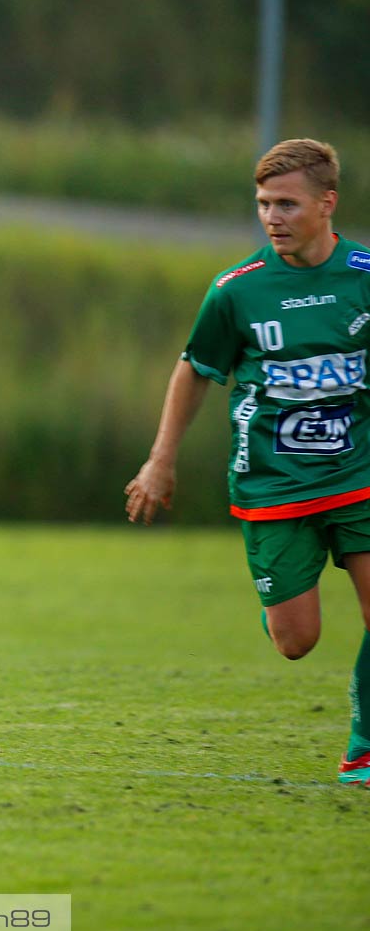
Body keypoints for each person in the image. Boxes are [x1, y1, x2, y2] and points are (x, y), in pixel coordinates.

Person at [125, 138, 370, 787]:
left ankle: (363, 749)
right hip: (274, 483)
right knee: (297, 642)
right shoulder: (237, 291)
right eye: (263, 204)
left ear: (327, 203)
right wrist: (160, 461)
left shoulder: (366, 276)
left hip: (359, 476)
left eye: (286, 203)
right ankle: (279, 604)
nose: (272, 217)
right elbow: (195, 368)